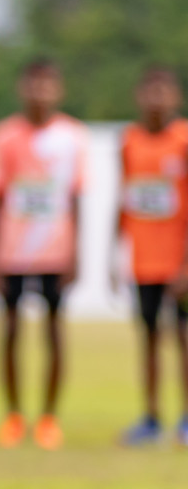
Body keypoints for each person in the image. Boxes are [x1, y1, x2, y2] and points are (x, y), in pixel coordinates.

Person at [0, 58, 88, 450]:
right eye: (33, 84)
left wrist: (77, 253)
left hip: (55, 249)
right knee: (10, 332)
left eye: (47, 84)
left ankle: (48, 418)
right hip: (12, 250)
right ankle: (13, 416)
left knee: (54, 333)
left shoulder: (72, 136)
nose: (39, 92)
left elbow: (76, 197)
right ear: (21, 88)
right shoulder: (3, 136)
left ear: (58, 90)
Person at [113, 66, 188, 446]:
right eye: (150, 90)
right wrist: (115, 252)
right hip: (143, 261)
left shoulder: (184, 139)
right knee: (148, 339)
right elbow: (124, 199)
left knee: (184, 339)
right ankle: (151, 417)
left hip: (178, 263)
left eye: (164, 91)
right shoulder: (128, 141)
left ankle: (187, 420)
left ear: (175, 97)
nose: (156, 98)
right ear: (138, 95)